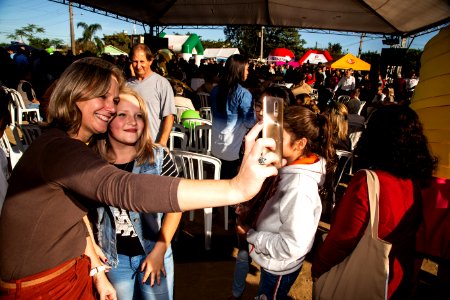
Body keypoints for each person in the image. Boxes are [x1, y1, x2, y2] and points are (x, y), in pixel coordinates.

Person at [0, 57, 282, 299]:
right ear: (74, 94)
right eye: (103, 98)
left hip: (67, 274)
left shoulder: (71, 147)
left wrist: (97, 270)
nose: (110, 108)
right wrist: (236, 188)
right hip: (43, 286)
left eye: (112, 99)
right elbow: (126, 189)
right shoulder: (62, 150)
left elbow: (70, 213)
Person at [312, 105, 437, 299]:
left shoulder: (368, 181)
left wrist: (319, 268)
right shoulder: (416, 182)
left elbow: (342, 239)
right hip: (396, 277)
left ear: (375, 137)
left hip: (361, 279)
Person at [236, 106, 335, 300]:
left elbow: (292, 246)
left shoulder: (300, 187)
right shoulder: (288, 164)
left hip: (279, 266)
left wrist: (251, 235)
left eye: (278, 137)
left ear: (300, 144)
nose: (271, 142)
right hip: (272, 257)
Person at [91, 86, 181, 300]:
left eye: (139, 115)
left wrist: (159, 251)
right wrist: (94, 254)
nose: (133, 121)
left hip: (155, 250)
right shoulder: (91, 163)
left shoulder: (158, 158)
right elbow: (81, 213)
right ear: (108, 119)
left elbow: (176, 208)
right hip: (114, 260)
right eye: (122, 114)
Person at [210, 54, 256, 180]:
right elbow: (249, 123)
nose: (248, 72)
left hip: (215, 145)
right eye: (247, 69)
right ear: (239, 70)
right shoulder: (243, 94)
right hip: (232, 149)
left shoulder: (215, 90)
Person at [127, 44, 176, 146]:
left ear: (150, 61)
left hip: (151, 146)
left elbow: (169, 116)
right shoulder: (126, 85)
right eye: (135, 61)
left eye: (142, 61)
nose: (138, 66)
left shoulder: (162, 83)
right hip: (130, 146)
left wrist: (161, 144)